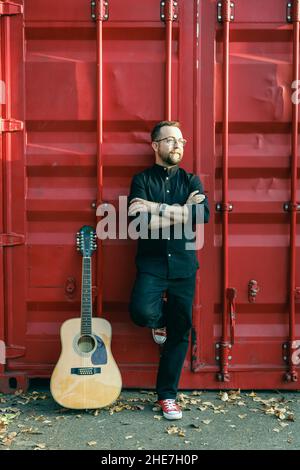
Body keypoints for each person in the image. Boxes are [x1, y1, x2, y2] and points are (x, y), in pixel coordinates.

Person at [127, 121, 209, 420]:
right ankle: (158, 322)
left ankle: (167, 396)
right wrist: (182, 212)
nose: (178, 145)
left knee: (181, 329)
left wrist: (154, 208)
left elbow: (202, 214)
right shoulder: (141, 180)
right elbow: (137, 224)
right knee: (140, 312)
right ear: (155, 146)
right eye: (171, 140)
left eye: (181, 141)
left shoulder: (192, 181)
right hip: (152, 264)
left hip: (184, 266)